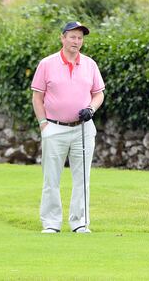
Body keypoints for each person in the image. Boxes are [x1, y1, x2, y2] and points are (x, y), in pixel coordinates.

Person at [31, 21, 105, 234]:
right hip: (54, 128)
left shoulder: (90, 64)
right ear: (62, 38)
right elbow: (37, 97)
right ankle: (51, 223)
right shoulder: (47, 63)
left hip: (83, 129)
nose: (76, 41)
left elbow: (98, 93)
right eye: (72, 37)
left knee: (82, 177)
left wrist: (91, 109)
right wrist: (43, 124)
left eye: (80, 38)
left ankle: (80, 222)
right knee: (51, 178)